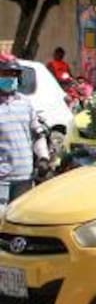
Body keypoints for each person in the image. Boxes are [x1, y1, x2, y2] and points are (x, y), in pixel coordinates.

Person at [0, 54, 49, 202]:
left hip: (25, 176)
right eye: (6, 73)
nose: (11, 77)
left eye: (15, 74)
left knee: (20, 220)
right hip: (2, 179)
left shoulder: (25, 103)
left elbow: (37, 134)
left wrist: (43, 158)